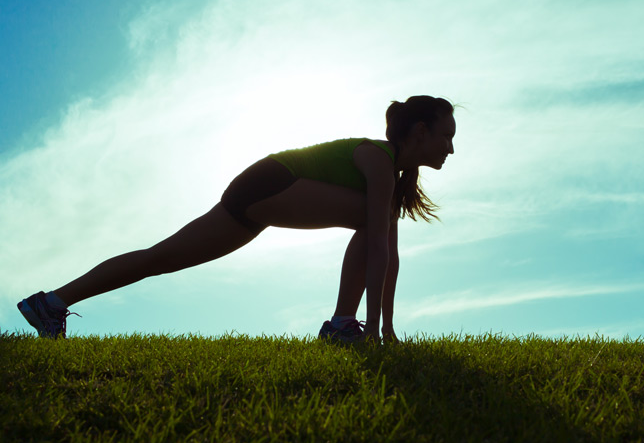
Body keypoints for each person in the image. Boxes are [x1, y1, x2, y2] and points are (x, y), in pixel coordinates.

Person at [17, 95, 456, 344]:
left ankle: (51, 304)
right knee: (375, 218)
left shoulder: (390, 175)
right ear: (420, 132)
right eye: (446, 136)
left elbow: (389, 256)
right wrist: (378, 333)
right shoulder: (379, 161)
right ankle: (343, 325)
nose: (450, 148)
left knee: (160, 257)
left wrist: (388, 328)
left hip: (256, 191)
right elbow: (379, 245)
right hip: (271, 182)